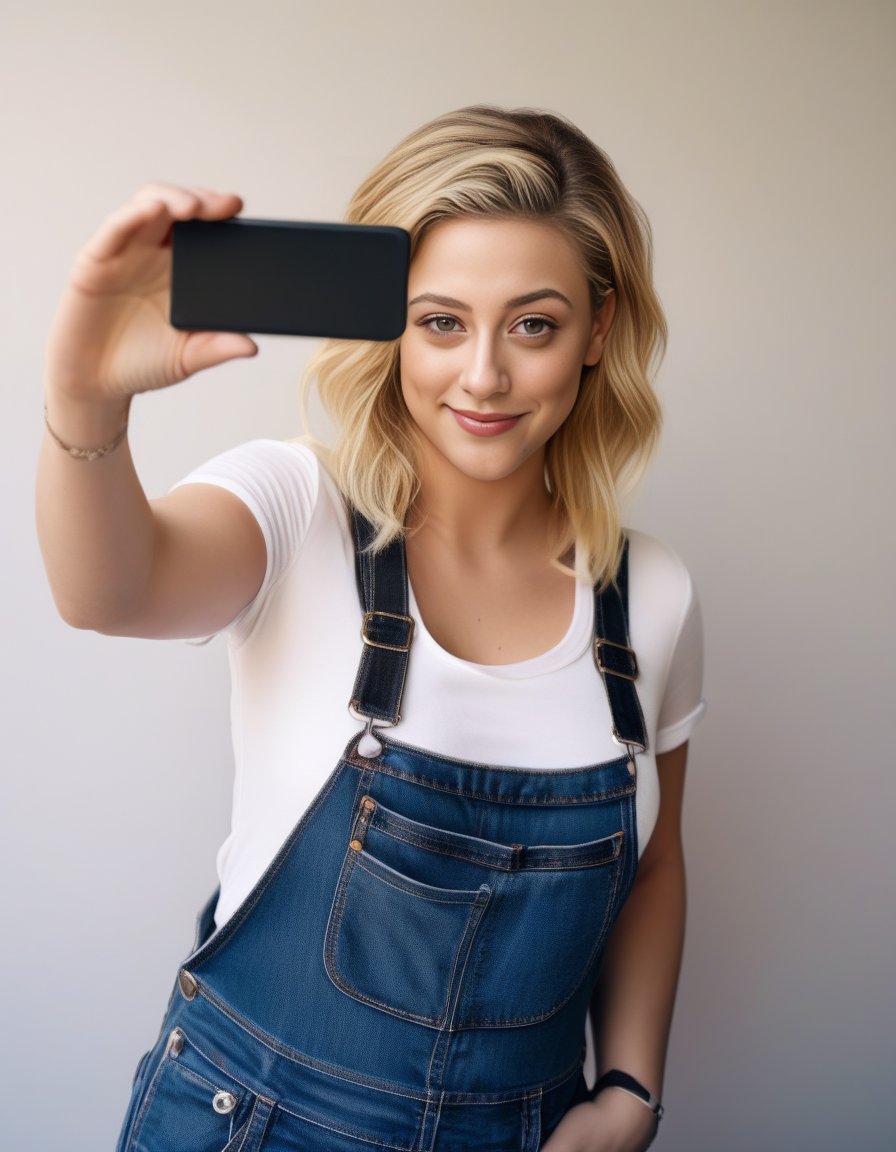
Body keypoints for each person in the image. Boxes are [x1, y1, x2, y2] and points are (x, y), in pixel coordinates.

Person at [37, 106, 704, 1152]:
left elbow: (655, 864)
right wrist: (84, 399)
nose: (481, 375)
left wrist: (628, 1092)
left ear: (598, 331)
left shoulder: (650, 596)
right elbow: (108, 592)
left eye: (532, 324)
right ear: (388, 325)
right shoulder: (296, 507)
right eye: (439, 322)